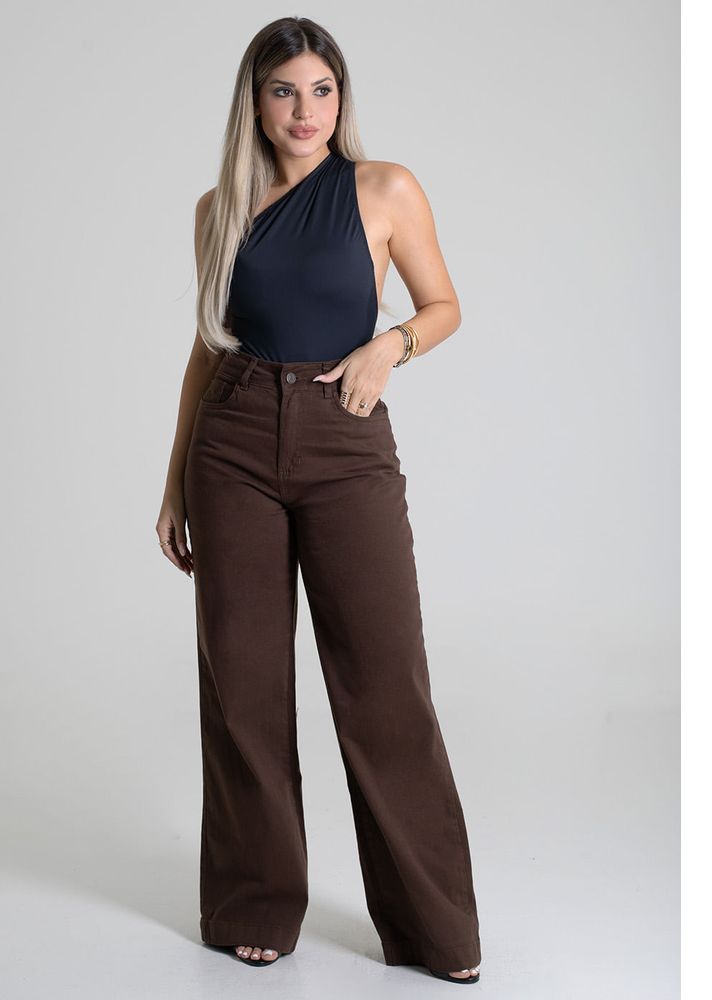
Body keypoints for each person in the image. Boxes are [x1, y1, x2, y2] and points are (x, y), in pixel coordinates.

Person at [155, 16, 482, 985]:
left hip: (345, 437)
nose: (306, 110)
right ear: (255, 103)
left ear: (341, 97)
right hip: (232, 444)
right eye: (284, 91)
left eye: (321, 90)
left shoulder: (382, 188)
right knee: (243, 686)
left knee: (386, 684)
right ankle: (254, 903)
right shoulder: (219, 208)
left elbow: (443, 305)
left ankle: (433, 931)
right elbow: (208, 346)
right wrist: (173, 479)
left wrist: (389, 346)